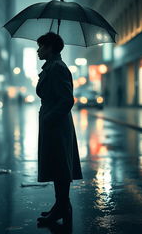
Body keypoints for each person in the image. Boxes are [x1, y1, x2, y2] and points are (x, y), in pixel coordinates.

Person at [35, 32, 83, 226]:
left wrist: (49, 118)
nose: (38, 50)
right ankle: (61, 205)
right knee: (56, 165)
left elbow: (67, 99)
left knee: (60, 166)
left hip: (56, 125)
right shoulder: (52, 67)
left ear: (50, 48)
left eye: (41, 46)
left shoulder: (57, 68)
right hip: (53, 123)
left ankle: (62, 207)